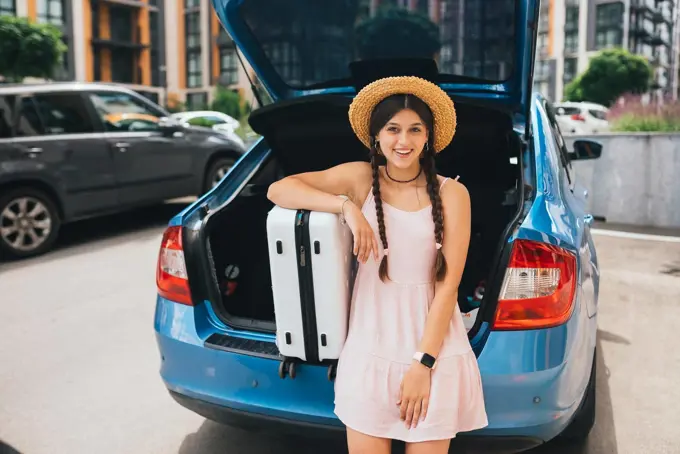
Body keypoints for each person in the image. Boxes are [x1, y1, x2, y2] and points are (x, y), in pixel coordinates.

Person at [266, 76, 488, 454]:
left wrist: (423, 364)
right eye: (393, 129)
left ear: (429, 136)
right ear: (376, 136)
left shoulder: (453, 194)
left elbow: (448, 287)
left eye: (415, 129)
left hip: (433, 351)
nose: (404, 141)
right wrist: (346, 207)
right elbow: (279, 189)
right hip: (369, 350)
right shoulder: (359, 179)